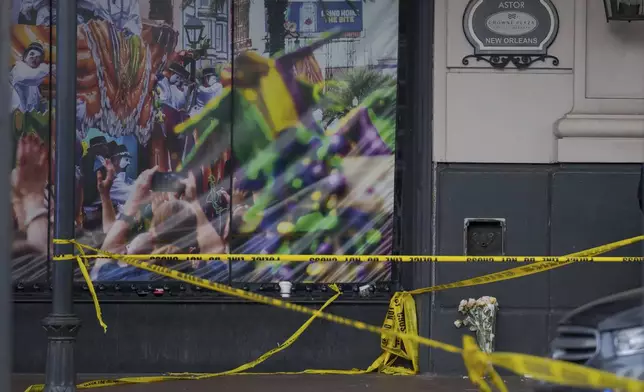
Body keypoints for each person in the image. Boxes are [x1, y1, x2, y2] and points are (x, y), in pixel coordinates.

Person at [91, 167, 227, 280]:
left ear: (151, 234)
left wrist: (133, 199)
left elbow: (104, 257)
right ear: (194, 236)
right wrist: (194, 202)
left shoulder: (123, 280)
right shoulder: (206, 279)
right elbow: (215, 251)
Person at [10, 42, 51, 113]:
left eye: (38, 57)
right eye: (32, 54)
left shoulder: (34, 86)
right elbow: (27, 77)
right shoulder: (18, 68)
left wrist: (43, 106)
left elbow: (38, 109)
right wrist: (48, 68)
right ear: (25, 57)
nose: (34, 58)